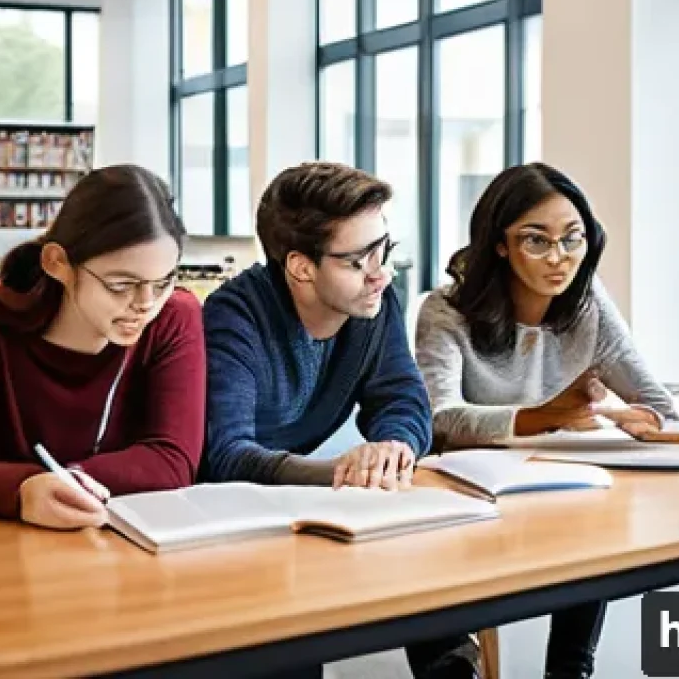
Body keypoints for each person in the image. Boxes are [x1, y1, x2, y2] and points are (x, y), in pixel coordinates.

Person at [202, 162, 480, 679]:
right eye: (358, 260)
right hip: (227, 516)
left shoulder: (374, 303)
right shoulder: (233, 319)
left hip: (304, 501)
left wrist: (394, 447)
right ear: (301, 267)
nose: (381, 273)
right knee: (293, 646)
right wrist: (342, 473)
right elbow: (224, 453)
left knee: (428, 569)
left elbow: (400, 397)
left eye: (384, 250)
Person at [415, 162, 679, 679]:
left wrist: (635, 416)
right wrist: (541, 417)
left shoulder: (587, 303)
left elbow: (657, 402)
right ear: (499, 244)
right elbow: (440, 417)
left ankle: (571, 669)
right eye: (537, 241)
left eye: (573, 239)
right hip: (460, 494)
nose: (559, 259)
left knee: (595, 523)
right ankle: (450, 665)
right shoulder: (446, 310)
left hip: (551, 486)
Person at [0, 164, 204, 531]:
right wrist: (23, 491)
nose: (145, 303)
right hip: (0, 546)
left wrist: (70, 480)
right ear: (57, 263)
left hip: (118, 548)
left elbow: (172, 459)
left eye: (163, 282)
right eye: (121, 284)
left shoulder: (173, 316)